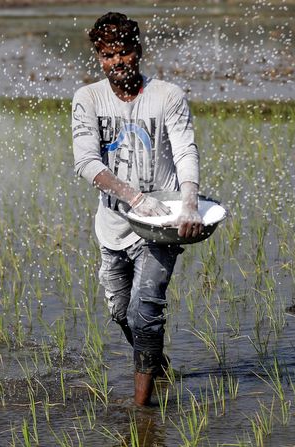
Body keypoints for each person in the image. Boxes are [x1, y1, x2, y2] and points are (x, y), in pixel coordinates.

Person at [72, 12, 203, 406]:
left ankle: (141, 411)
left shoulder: (168, 96)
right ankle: (155, 363)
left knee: (145, 309)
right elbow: (87, 163)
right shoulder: (88, 99)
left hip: (159, 225)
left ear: (139, 51)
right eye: (109, 55)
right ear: (99, 57)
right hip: (112, 225)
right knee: (120, 313)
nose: (119, 62)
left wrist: (190, 204)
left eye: (125, 52)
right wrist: (133, 197)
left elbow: (184, 150)